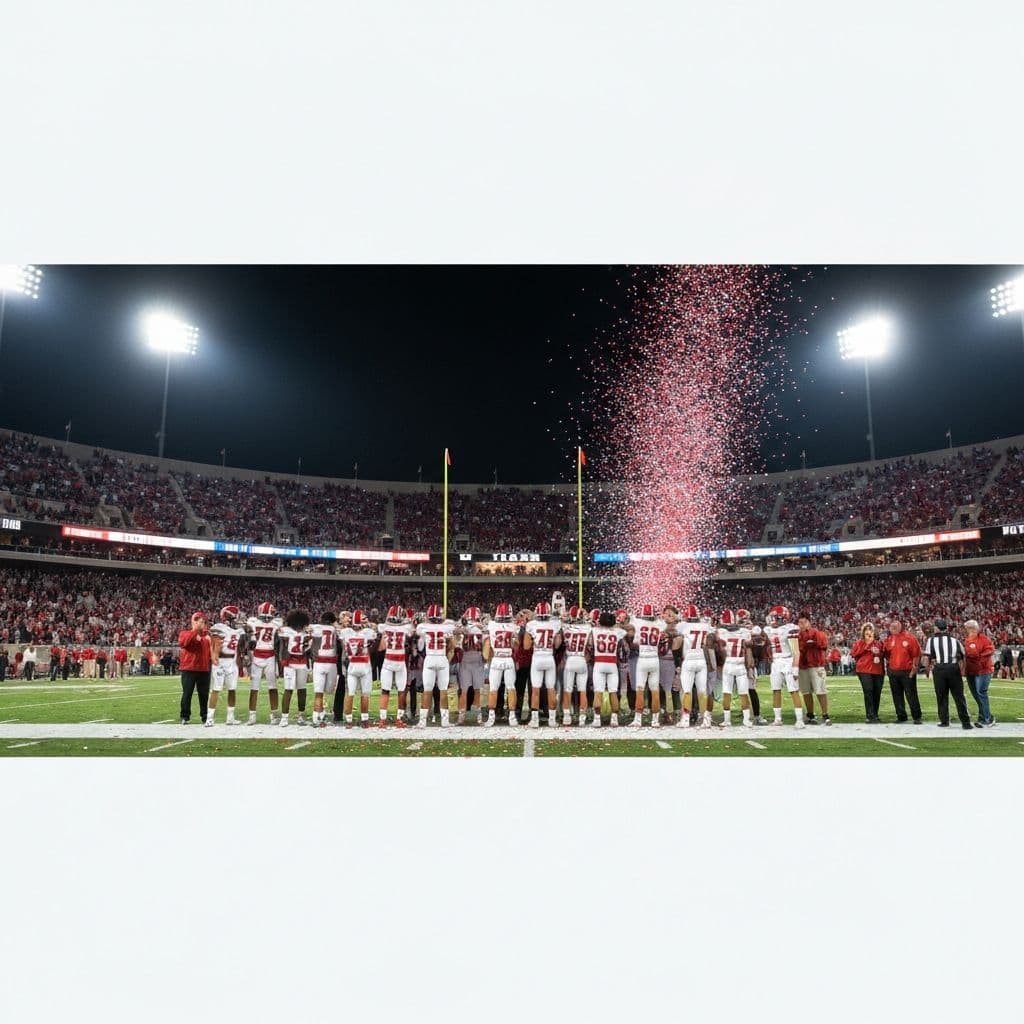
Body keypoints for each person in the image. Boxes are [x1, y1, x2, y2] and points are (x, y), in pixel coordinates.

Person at [923, 618, 973, 730]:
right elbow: (962, 658)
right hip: (953, 669)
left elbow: (927, 658)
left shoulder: (931, 641)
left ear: (936, 628)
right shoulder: (955, 640)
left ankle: (944, 721)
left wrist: (927, 670)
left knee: (941, 696)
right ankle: (966, 722)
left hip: (940, 670)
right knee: (959, 697)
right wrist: (962, 672)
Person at [764, 605, 804, 727]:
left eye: (775, 617)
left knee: (793, 690)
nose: (772, 620)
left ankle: (799, 720)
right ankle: (777, 719)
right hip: (776, 662)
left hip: (788, 660)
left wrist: (795, 667)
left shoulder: (790, 629)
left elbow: (796, 650)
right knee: (775, 690)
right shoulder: (767, 630)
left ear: (783, 618)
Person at [206, 605, 244, 726]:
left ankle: (230, 717)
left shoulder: (239, 630)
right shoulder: (219, 628)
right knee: (215, 689)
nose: (238, 620)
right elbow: (214, 643)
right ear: (228, 618)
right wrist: (214, 656)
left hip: (232, 663)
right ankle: (210, 718)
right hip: (220, 662)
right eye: (236, 617)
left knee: (232, 690)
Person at [883, 618, 922, 724]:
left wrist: (914, 667)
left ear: (900, 627)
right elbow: (886, 653)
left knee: (911, 694)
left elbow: (916, 654)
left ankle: (917, 717)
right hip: (893, 671)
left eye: (895, 627)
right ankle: (901, 716)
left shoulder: (910, 637)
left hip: (907, 671)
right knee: (896, 695)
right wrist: (890, 666)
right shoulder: (889, 639)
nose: (893, 629)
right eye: (892, 627)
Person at [797, 611, 831, 725]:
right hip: (803, 665)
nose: (801, 625)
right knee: (806, 692)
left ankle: (825, 714)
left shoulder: (817, 633)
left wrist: (814, 643)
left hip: (816, 665)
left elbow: (824, 645)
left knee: (820, 690)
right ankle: (810, 715)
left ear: (808, 622)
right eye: (799, 623)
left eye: (803, 622)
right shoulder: (797, 635)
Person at [178, 611, 212, 725]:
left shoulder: (208, 636)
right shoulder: (185, 633)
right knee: (187, 693)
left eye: (204, 622)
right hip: (189, 668)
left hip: (204, 669)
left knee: (204, 694)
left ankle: (205, 716)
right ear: (194, 622)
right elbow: (183, 643)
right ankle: (185, 716)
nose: (203, 624)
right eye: (201, 622)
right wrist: (195, 631)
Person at [963, 619, 995, 727]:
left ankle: (987, 719)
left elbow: (990, 650)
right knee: (976, 694)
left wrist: (979, 661)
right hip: (971, 671)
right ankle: (984, 717)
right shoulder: (967, 640)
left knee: (981, 692)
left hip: (983, 670)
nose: (966, 630)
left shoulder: (983, 639)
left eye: (968, 628)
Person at [851, 622, 885, 723]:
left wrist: (879, 653)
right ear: (863, 633)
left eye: (871, 632)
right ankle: (870, 716)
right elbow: (854, 653)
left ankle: (875, 714)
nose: (869, 634)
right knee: (868, 691)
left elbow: (884, 654)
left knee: (877, 692)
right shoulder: (859, 643)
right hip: (864, 670)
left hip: (878, 670)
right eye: (867, 632)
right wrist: (867, 647)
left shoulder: (879, 643)